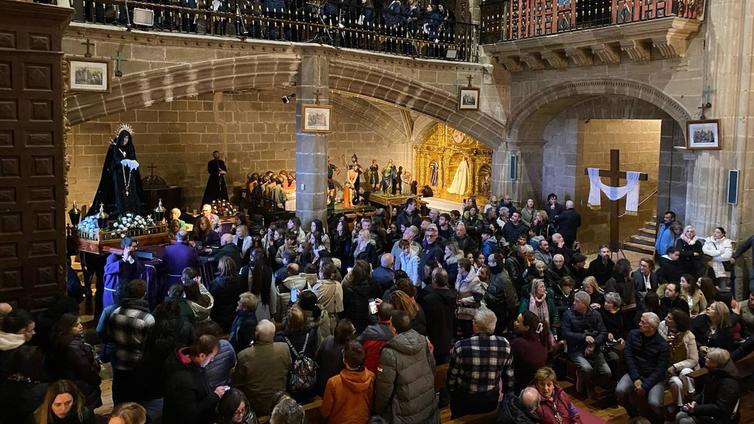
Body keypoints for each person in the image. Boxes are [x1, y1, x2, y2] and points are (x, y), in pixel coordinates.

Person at [447, 309, 513, 418]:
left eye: (473, 321)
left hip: (465, 398)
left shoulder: (461, 346)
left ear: (476, 325)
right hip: (490, 398)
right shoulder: (505, 344)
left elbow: (452, 376)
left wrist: (452, 392)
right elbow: (509, 376)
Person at [373, 310, 437, 423]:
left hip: (405, 413)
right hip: (427, 404)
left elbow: (384, 389)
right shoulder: (422, 339)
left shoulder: (389, 353)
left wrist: (377, 410)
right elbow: (432, 367)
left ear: (394, 328)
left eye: (390, 323)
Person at [108, 279, 155, 404]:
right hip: (137, 365)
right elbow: (149, 345)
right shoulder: (147, 318)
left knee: (119, 398)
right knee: (136, 402)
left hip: (119, 361)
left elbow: (110, 336)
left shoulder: (115, 312)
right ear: (144, 294)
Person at [232, 320, 291, 417]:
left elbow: (237, 383)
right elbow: (288, 369)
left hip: (256, 405)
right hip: (280, 400)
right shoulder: (284, 348)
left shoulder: (244, 355)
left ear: (256, 334)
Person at [162, 335, 226, 424]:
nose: (212, 360)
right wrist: (214, 396)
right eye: (211, 357)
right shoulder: (184, 380)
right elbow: (189, 415)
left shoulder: (195, 364)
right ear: (202, 356)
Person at [616, 312, 669, 419]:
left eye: (643, 322)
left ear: (652, 327)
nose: (639, 324)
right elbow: (628, 357)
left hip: (653, 378)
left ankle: (660, 419)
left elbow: (660, 370)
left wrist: (645, 386)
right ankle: (634, 414)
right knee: (620, 391)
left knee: (655, 403)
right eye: (640, 321)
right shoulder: (633, 334)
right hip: (635, 373)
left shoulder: (663, 345)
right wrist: (635, 377)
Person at [86, 125, 145, 217]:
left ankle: (132, 210)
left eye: (127, 138)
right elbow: (113, 161)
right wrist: (122, 161)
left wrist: (133, 162)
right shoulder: (114, 147)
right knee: (119, 193)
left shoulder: (130, 147)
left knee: (131, 193)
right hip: (118, 175)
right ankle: (120, 211)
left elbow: (133, 157)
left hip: (129, 176)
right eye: (124, 138)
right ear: (120, 137)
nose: (126, 140)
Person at [561, 291, 611, 395]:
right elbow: (566, 333)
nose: (574, 303)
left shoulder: (596, 314)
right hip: (576, 348)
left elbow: (603, 332)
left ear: (585, 304)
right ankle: (588, 386)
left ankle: (591, 383)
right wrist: (584, 337)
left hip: (594, 348)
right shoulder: (568, 314)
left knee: (607, 372)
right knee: (587, 369)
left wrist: (594, 344)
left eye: (577, 301)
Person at [48, 314, 102, 410]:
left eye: (80, 323)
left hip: (71, 383)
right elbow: (85, 368)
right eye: (76, 325)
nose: (81, 326)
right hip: (81, 386)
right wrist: (96, 378)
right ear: (67, 327)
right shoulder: (73, 347)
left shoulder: (60, 340)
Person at [675, 348, 740, 424]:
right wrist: (694, 402)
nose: (705, 358)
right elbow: (704, 393)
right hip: (709, 410)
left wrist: (697, 409)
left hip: (721, 418)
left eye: (709, 358)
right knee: (679, 415)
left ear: (717, 363)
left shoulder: (729, 383)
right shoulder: (714, 372)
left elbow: (721, 408)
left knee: (685, 422)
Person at [320, 341, 375, 424]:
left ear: (344, 360)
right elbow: (371, 402)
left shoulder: (333, 382)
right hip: (363, 420)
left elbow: (325, 411)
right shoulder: (371, 377)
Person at [659, 309, 699, 413]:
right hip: (667, 368)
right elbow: (657, 349)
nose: (665, 319)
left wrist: (676, 366)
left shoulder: (688, 335)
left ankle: (692, 399)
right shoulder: (662, 327)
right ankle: (680, 407)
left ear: (677, 323)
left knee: (685, 373)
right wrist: (665, 345)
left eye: (669, 318)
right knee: (676, 383)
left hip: (684, 366)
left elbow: (693, 360)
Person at [418, 267, 457, 364]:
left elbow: (423, 322)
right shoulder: (454, 296)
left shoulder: (428, 300)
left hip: (433, 342)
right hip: (448, 340)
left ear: (434, 280)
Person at [511, 311, 549, 394]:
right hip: (536, 387)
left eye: (518, 321)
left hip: (521, 388)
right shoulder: (542, 340)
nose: (515, 323)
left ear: (527, 327)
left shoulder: (519, 343)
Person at [103, 237, 145, 310]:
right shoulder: (113, 257)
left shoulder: (134, 256)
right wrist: (123, 260)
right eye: (134, 247)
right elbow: (108, 270)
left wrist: (133, 262)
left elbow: (141, 270)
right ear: (127, 247)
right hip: (113, 293)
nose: (136, 249)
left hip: (127, 293)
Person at [315, 318, 355, 396]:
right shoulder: (347, 352)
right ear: (348, 336)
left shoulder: (327, 340)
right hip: (336, 390)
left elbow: (317, 360)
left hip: (321, 385)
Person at [30, 379, 96, 424]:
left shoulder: (85, 415)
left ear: (74, 400)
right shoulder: (37, 418)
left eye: (68, 403)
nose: (63, 409)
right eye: (58, 404)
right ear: (50, 404)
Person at [358, 302, 394, 373]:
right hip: (389, 370)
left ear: (378, 316)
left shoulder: (369, 330)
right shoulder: (396, 331)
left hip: (369, 369)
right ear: (391, 317)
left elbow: (357, 343)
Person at [702, 227, 734, 291]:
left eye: (718, 232)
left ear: (722, 234)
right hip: (711, 267)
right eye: (714, 232)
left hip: (723, 267)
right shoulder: (709, 241)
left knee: (722, 288)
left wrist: (713, 258)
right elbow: (705, 251)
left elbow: (727, 256)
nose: (715, 234)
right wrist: (719, 252)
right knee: (709, 287)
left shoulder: (727, 242)